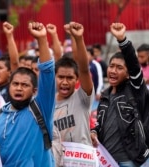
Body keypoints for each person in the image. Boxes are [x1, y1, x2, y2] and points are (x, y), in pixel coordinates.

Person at [0, 21, 56, 167]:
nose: (19, 88)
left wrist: (42, 40)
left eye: (25, 85)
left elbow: (48, 72)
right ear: (9, 86)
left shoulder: (41, 108)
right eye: (15, 84)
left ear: (34, 91)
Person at [91, 23, 149, 166]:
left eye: (119, 68)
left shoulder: (135, 90)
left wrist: (122, 40)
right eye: (111, 66)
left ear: (128, 74)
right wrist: (94, 131)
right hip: (106, 159)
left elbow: (134, 66)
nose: (113, 71)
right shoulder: (105, 95)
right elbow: (100, 123)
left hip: (129, 160)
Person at [52, 22, 94, 166]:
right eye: (61, 77)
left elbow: (83, 68)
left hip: (83, 162)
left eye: (70, 78)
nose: (65, 82)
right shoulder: (47, 103)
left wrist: (78, 38)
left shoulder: (82, 98)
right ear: (54, 77)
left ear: (77, 79)